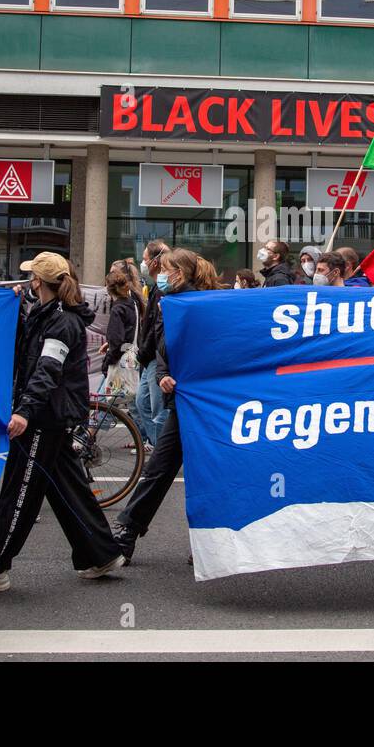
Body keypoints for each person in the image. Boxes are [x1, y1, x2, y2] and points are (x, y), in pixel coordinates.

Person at [0, 252, 123, 593]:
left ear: (39, 282)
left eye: (31, 277)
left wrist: (24, 411)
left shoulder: (60, 321)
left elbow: (47, 369)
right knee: (67, 489)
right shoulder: (46, 313)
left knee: (19, 494)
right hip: (50, 414)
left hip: (44, 416)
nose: (27, 282)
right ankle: (102, 553)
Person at [112, 248, 221, 564]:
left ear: (180, 273)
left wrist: (180, 375)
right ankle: (127, 534)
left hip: (202, 402)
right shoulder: (165, 301)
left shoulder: (200, 304)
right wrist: (163, 374)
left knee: (205, 473)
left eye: (166, 269)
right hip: (180, 400)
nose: (159, 273)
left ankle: (207, 543)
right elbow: (163, 347)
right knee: (158, 469)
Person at [134, 240, 170, 446]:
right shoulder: (157, 287)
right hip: (151, 357)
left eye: (146, 259)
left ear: (155, 261)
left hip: (156, 356)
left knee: (158, 410)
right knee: (143, 403)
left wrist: (144, 350)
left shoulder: (163, 289)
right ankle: (159, 449)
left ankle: (162, 455)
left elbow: (157, 327)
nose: (143, 263)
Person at [101, 271, 139, 377]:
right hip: (133, 357)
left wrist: (107, 362)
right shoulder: (133, 304)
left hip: (120, 361)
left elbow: (117, 342)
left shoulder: (117, 309)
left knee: (110, 392)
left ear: (108, 289)